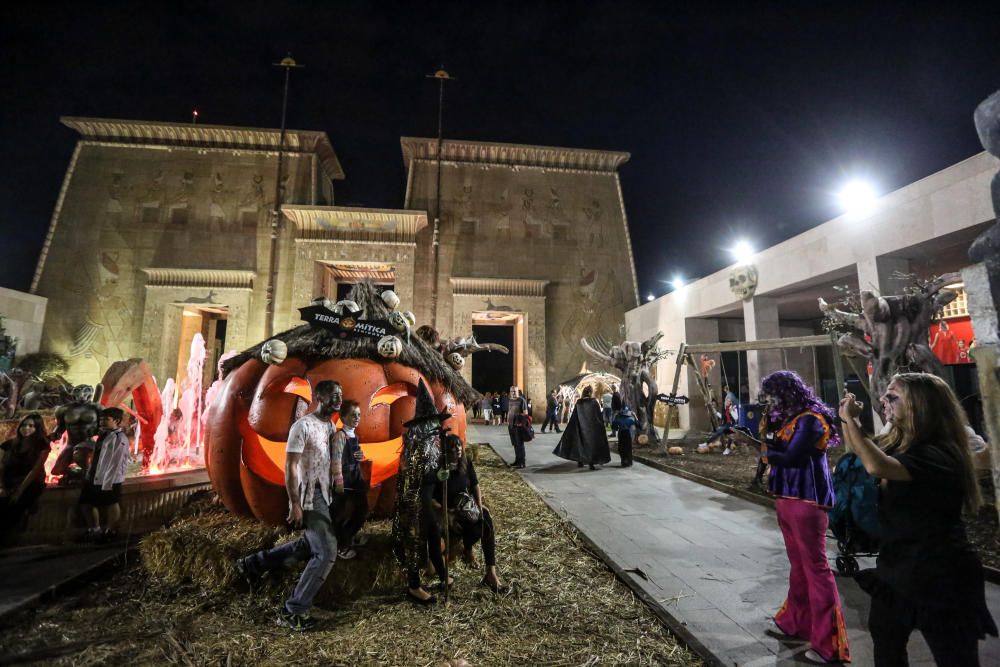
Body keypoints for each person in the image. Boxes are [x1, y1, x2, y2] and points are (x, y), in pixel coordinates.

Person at [840, 373, 997, 666]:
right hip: (896, 569)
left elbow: (875, 466)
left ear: (921, 406)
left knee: (955, 658)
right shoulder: (901, 444)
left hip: (941, 575)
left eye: (893, 397)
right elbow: (862, 452)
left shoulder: (941, 453)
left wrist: (850, 421)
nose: (884, 401)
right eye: (885, 395)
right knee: (887, 650)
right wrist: (849, 419)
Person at [729, 370, 850, 664]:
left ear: (787, 393)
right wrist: (763, 433)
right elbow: (778, 447)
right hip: (787, 499)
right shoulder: (788, 419)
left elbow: (792, 456)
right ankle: (797, 622)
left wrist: (756, 448)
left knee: (816, 570)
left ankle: (828, 643)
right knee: (799, 567)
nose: (768, 401)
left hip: (807, 501)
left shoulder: (810, 420)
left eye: (772, 395)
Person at [236, 380, 343, 631]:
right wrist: (295, 503)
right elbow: (291, 466)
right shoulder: (302, 426)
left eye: (340, 394)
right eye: (334, 394)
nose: (339, 398)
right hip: (308, 496)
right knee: (326, 552)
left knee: (309, 545)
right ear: (319, 397)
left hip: (324, 494)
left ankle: (253, 564)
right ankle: (292, 611)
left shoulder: (328, 426)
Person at [392, 379, 451, 605]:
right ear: (423, 424)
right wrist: (434, 474)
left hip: (425, 496)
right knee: (416, 542)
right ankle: (414, 586)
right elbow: (413, 475)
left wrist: (441, 474)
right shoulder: (415, 445)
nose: (435, 426)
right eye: (432, 422)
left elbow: (432, 470)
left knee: (434, 537)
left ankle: (443, 576)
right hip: (414, 499)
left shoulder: (433, 443)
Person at [433, 434, 509, 594]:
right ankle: (466, 550)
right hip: (448, 512)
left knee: (485, 521)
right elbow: (430, 498)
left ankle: (491, 573)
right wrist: (445, 512)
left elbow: (475, 486)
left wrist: (480, 507)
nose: (457, 449)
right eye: (453, 447)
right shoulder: (438, 469)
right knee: (456, 531)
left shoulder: (466, 463)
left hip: (466, 508)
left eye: (459, 446)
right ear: (446, 450)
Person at [76, 407, 130, 542]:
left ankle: (111, 531)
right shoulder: (103, 434)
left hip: (110, 479)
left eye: (106, 419)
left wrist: (108, 483)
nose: (102, 422)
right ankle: (95, 529)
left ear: (117, 421)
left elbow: (116, 462)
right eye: (101, 419)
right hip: (94, 476)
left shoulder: (119, 438)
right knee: (86, 502)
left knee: (111, 502)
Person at [0, 413, 51, 536]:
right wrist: (1, 486)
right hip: (10, 479)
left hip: (31, 481)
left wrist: (19, 491)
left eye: (31, 426)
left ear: (37, 428)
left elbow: (35, 470)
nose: (26, 428)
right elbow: (1, 466)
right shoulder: (10, 444)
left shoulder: (42, 445)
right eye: (24, 425)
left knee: (13, 505)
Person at [332, 399, 367, 560]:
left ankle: (347, 537)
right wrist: (338, 481)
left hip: (356, 477)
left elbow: (353, 456)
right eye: (353, 415)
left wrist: (360, 456)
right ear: (343, 417)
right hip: (345, 479)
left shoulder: (354, 435)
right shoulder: (340, 436)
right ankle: (341, 545)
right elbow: (336, 459)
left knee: (361, 511)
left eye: (359, 415)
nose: (357, 418)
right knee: (340, 513)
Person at [553, 386, 611, 470]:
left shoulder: (579, 402)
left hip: (581, 426)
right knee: (591, 445)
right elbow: (598, 416)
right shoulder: (594, 402)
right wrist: (600, 426)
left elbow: (575, 415)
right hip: (591, 428)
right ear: (590, 393)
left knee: (581, 444)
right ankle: (591, 464)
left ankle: (580, 461)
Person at [506, 386, 528, 468]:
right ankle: (517, 460)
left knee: (520, 444)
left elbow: (525, 413)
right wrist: (508, 421)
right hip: (511, 426)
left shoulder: (522, 400)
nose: (513, 393)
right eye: (512, 391)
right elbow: (509, 411)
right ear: (510, 392)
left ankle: (522, 462)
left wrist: (521, 424)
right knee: (515, 444)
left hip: (518, 426)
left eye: (515, 391)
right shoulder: (510, 400)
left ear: (518, 392)